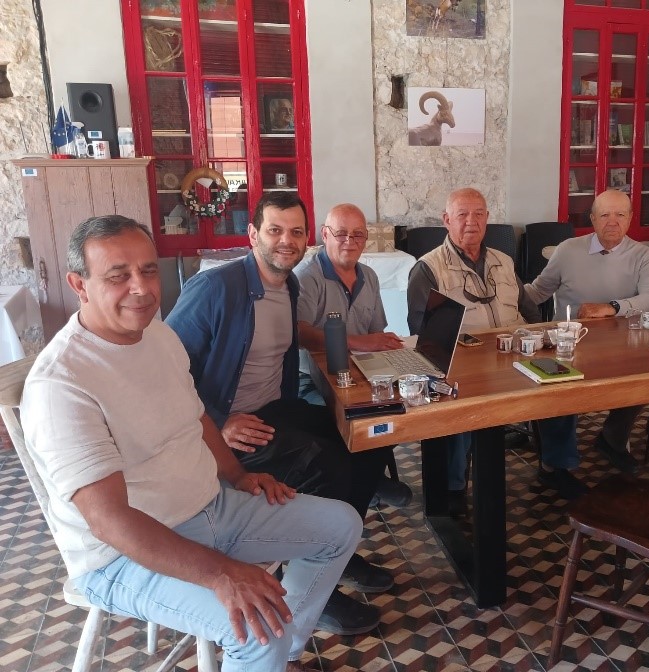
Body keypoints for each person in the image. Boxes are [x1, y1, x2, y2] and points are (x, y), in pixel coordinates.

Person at [20, 215, 360, 671]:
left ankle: (284, 656)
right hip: (120, 557)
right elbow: (109, 522)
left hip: (210, 505)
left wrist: (237, 475)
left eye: (148, 270)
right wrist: (221, 573)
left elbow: (195, 415)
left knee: (341, 526)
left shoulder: (157, 334)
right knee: (256, 629)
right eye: (118, 276)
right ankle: (267, 654)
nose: (141, 288)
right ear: (79, 284)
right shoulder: (62, 383)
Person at [166, 192, 390, 636]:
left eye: (295, 232)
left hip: (273, 412)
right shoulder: (216, 288)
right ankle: (313, 591)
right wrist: (219, 422)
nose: (286, 240)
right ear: (253, 234)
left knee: (366, 436)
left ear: (307, 239)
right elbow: (164, 366)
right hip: (223, 433)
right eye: (275, 230)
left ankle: (337, 551)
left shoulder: (289, 287)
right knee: (325, 466)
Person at [407, 187, 582, 505]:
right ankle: (453, 488)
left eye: (478, 214)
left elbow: (530, 311)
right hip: (464, 364)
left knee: (561, 384)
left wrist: (541, 343)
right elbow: (423, 335)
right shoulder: (428, 268)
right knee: (454, 404)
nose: (471, 221)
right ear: (446, 220)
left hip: (515, 356)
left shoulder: (503, 260)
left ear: (487, 219)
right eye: (462, 214)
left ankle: (555, 466)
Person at [525, 189, 649, 474]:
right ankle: (557, 465)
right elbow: (538, 291)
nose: (612, 221)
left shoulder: (643, 255)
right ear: (592, 219)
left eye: (620, 214)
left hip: (623, 345)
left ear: (630, 218)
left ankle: (613, 438)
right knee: (557, 387)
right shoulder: (568, 250)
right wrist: (501, 298)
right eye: (604, 215)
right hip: (569, 345)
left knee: (645, 379)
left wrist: (612, 307)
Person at [296, 203, 412, 508]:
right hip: (315, 379)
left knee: (402, 406)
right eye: (341, 233)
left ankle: (369, 476)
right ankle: (366, 484)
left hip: (360, 373)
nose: (350, 241)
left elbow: (376, 333)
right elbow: (300, 333)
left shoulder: (369, 276)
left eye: (358, 234)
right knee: (351, 420)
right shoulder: (307, 277)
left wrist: (390, 350)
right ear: (325, 235)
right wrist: (358, 341)